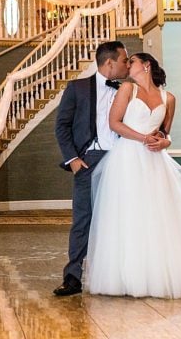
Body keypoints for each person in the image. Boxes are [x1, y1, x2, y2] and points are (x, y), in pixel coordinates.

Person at [85, 52, 181, 298]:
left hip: (155, 161)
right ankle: (127, 277)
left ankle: (161, 276)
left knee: (160, 215)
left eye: (133, 62)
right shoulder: (127, 90)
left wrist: (164, 143)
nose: (128, 65)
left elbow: (165, 133)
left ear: (146, 65)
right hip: (128, 158)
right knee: (131, 215)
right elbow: (114, 123)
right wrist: (143, 139)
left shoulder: (168, 98)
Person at [53, 40, 134, 296]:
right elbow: (61, 126)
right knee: (83, 219)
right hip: (88, 160)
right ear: (109, 63)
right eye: (124, 60)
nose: (128, 64)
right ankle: (73, 276)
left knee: (121, 218)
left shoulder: (129, 90)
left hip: (121, 159)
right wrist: (73, 160)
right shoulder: (77, 88)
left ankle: (122, 276)